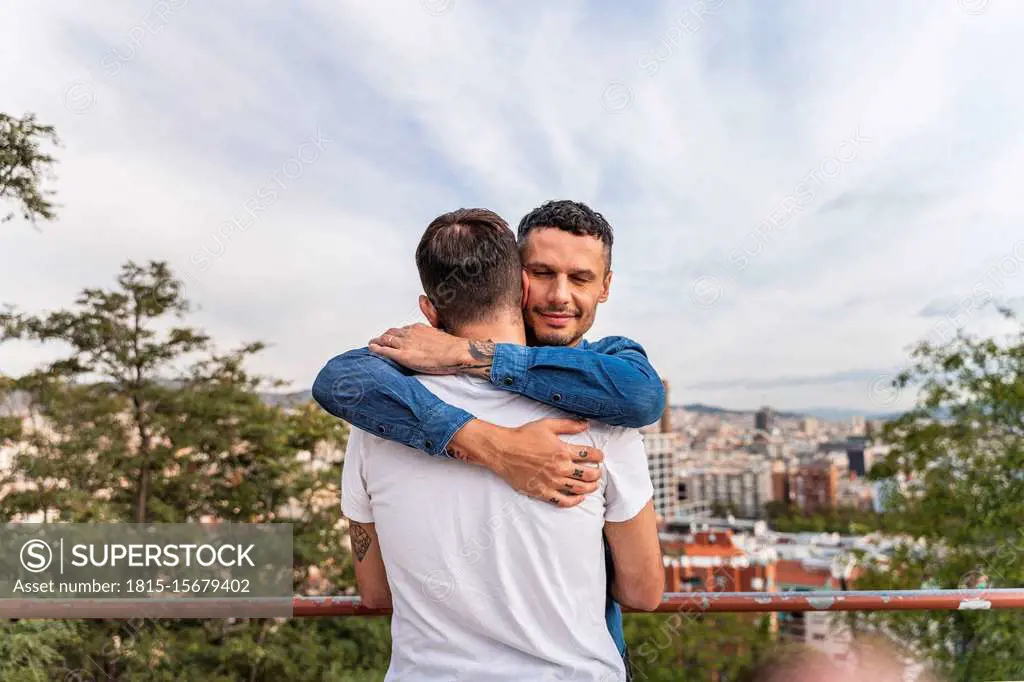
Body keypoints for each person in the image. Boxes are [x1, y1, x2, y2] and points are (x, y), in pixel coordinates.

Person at [313, 199, 665, 670]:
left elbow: (376, 593)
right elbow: (644, 590)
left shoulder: (379, 422)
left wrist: (466, 354)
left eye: (579, 278)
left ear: (605, 287)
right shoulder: (602, 426)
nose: (560, 296)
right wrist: (492, 445)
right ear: (518, 280)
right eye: (543, 273)